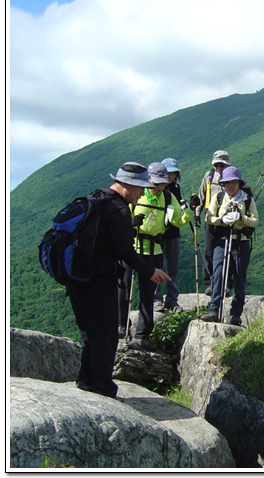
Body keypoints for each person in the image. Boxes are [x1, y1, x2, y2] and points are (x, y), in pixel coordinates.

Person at [66, 162, 170, 398]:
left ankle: (85, 381)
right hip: (99, 280)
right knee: (106, 334)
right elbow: (126, 251)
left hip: (77, 277)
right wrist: (149, 271)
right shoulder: (119, 209)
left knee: (88, 332)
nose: (142, 193)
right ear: (126, 185)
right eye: (139, 188)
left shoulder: (98, 199)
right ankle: (103, 387)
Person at [129, 162, 193, 350]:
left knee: (148, 294)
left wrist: (191, 209)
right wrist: (131, 223)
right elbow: (121, 220)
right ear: (148, 179)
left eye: (162, 184)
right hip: (133, 248)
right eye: (155, 183)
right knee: (124, 290)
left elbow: (178, 220)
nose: (158, 188)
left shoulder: (167, 196)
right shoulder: (138, 194)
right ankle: (120, 328)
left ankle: (142, 335)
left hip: (154, 250)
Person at [199, 166, 259, 325]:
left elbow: (255, 221)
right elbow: (209, 218)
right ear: (223, 184)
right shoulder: (218, 198)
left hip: (241, 242)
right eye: (227, 183)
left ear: (239, 183)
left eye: (234, 182)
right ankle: (214, 310)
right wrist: (221, 219)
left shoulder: (247, 199)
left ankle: (235, 314)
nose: (231, 186)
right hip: (222, 240)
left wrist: (241, 218)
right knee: (218, 273)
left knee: (239, 277)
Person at [154, 157, 199, 313]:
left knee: (173, 268)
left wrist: (188, 208)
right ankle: (156, 299)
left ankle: (171, 300)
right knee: (157, 267)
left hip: (173, 232)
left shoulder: (174, 188)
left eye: (173, 173)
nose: (170, 176)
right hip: (158, 234)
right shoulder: (155, 189)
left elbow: (177, 212)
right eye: (168, 173)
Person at [195, 150, 231, 295]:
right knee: (208, 251)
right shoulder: (209, 176)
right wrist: (197, 213)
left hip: (227, 220)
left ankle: (226, 284)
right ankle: (210, 283)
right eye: (216, 165)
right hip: (210, 219)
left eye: (221, 165)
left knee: (228, 252)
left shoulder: (232, 177)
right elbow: (201, 195)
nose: (218, 168)